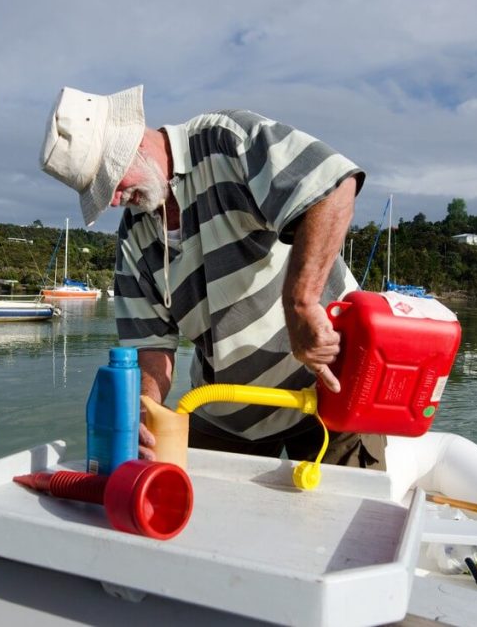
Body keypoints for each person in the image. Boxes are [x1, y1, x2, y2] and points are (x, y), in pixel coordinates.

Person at [40, 84, 385, 470]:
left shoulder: (227, 140)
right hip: (227, 413)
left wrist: (301, 303)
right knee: (204, 521)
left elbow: (332, 188)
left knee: (352, 523)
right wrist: (146, 407)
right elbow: (152, 348)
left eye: (110, 182)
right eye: (101, 194)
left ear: (132, 143)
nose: (115, 200)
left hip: (330, 393)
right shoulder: (133, 239)